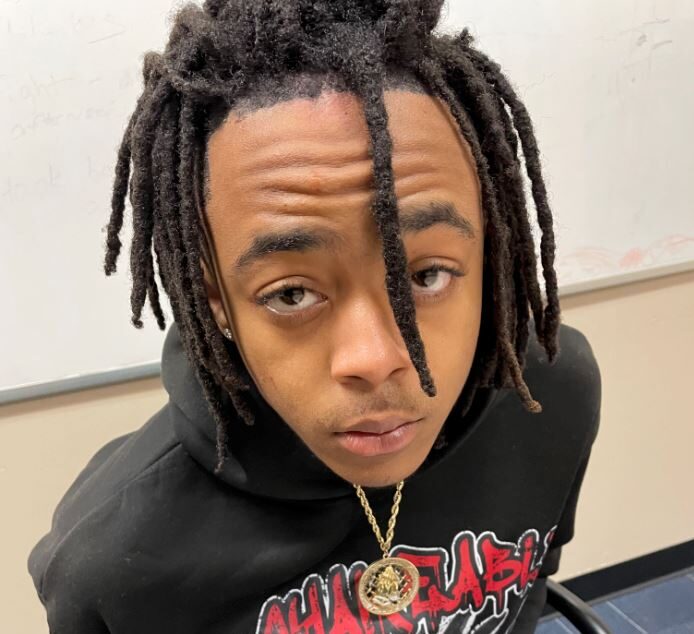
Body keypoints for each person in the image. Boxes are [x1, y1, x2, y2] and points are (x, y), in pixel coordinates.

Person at [27, 1, 602, 632]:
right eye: (292, 294)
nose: (376, 359)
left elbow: (527, 587)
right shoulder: (115, 561)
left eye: (427, 276)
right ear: (215, 297)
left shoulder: (552, 394)